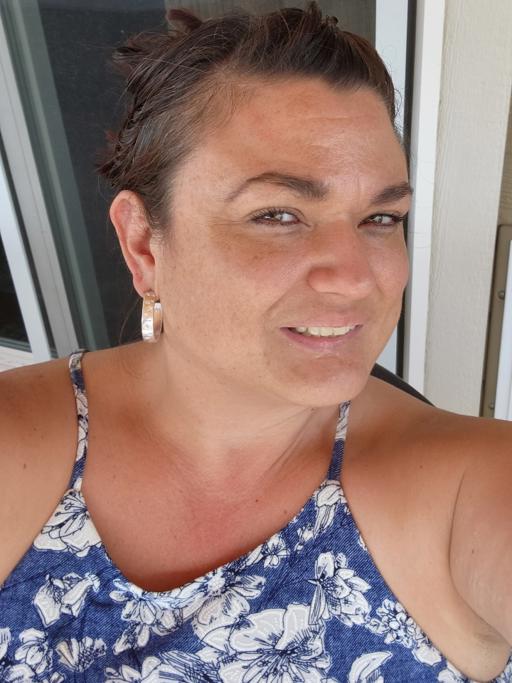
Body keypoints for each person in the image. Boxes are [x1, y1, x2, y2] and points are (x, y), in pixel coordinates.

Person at [0, 3, 511, 681]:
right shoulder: (16, 447)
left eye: (381, 217)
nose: (357, 277)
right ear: (145, 245)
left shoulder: (464, 485)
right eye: (277, 214)